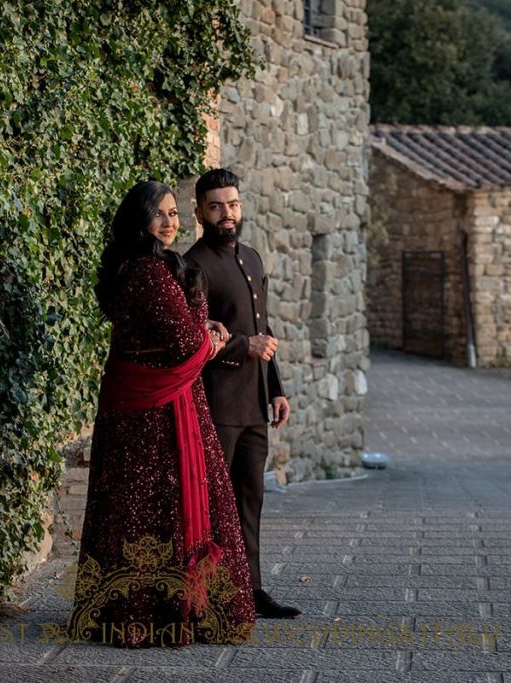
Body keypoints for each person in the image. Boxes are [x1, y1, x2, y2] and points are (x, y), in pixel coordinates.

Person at [68, 181, 256, 648]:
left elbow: (170, 330)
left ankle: (130, 608)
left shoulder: (134, 267)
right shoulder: (149, 271)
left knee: (133, 509)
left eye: (174, 213)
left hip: (141, 406)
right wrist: (210, 340)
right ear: (140, 222)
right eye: (161, 215)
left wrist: (201, 327)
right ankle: (158, 614)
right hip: (158, 415)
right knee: (157, 508)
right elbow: (184, 345)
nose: (170, 223)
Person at [185, 168, 301, 619]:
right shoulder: (192, 266)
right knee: (214, 503)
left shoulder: (251, 259)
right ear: (199, 212)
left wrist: (277, 389)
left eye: (232, 204)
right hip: (215, 404)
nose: (226, 213)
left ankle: (250, 592)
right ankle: (206, 597)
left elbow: (263, 330)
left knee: (250, 498)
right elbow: (192, 336)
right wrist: (241, 346)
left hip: (254, 404)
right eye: (215, 206)